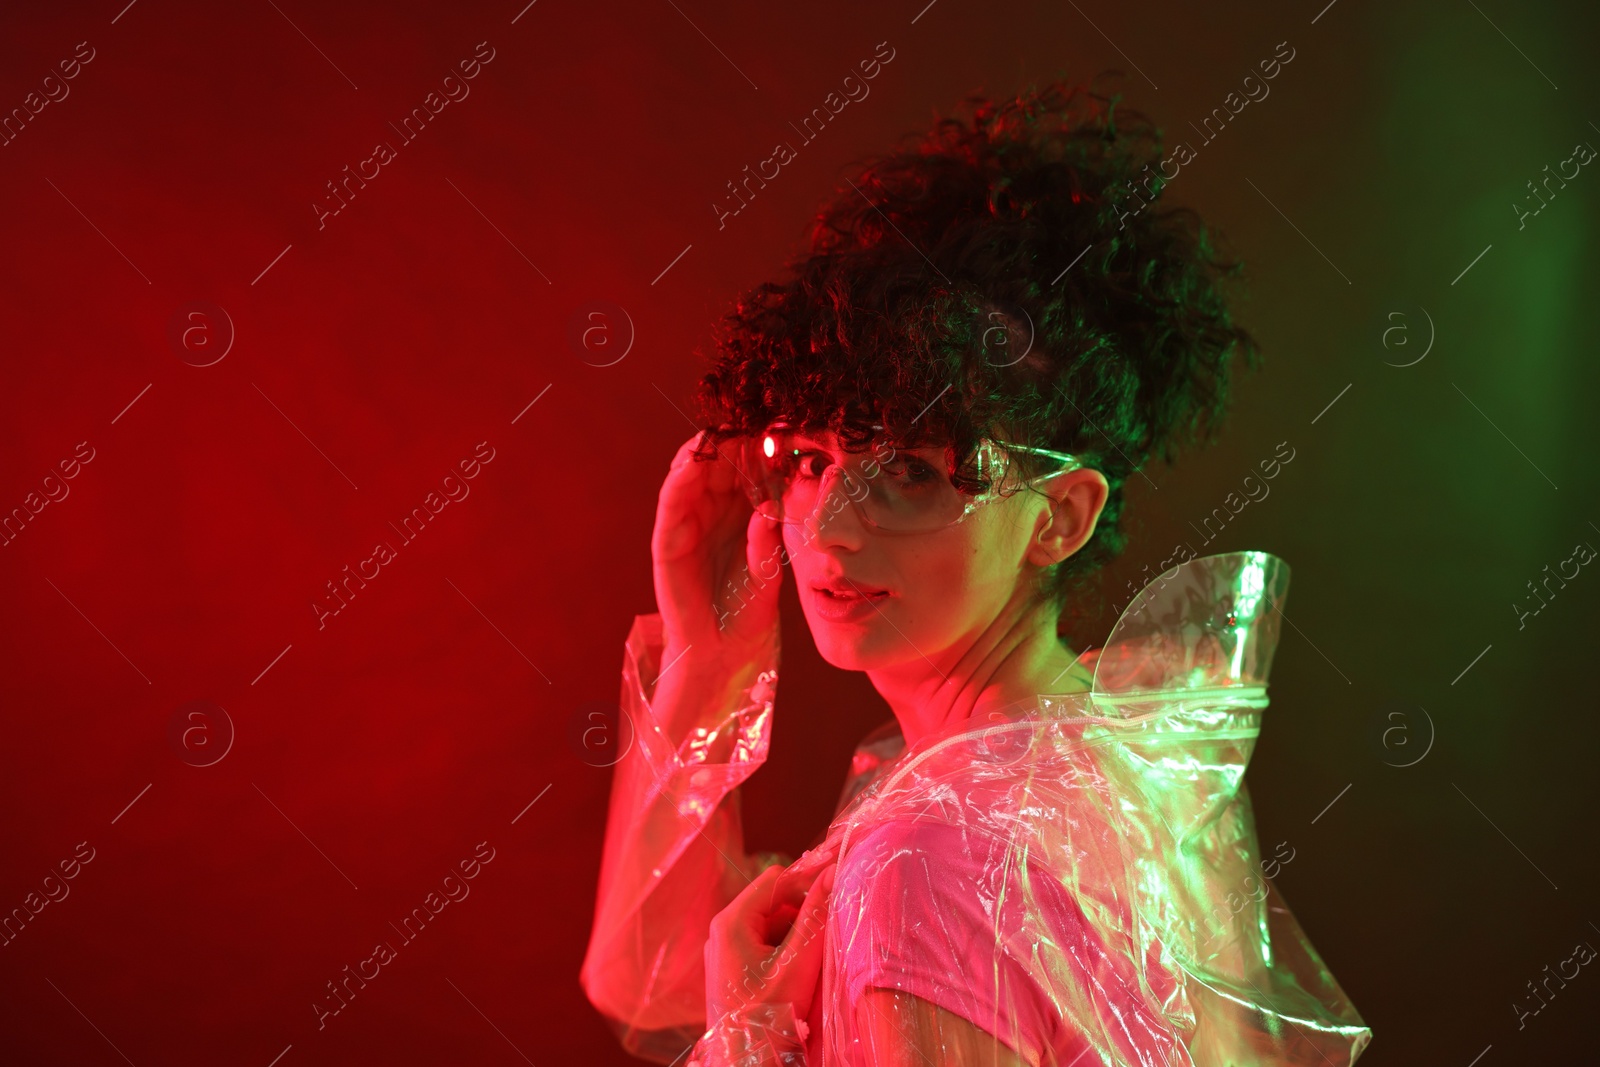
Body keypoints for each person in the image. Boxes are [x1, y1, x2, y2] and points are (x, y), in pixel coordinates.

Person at [579, 79, 1372, 1066]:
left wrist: (754, 1043)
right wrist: (710, 671)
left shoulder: (933, 847)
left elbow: (682, 1015)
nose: (828, 525)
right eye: (812, 457)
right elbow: (649, 989)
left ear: (1059, 515)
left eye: (910, 470)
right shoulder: (1107, 747)